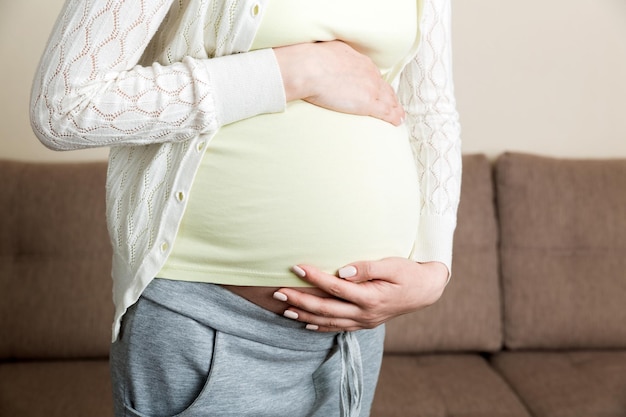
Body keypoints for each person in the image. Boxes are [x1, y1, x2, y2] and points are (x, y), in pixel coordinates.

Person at [30, 0, 461, 415]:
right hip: (204, 322)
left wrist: (435, 265)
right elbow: (64, 105)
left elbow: (430, 108)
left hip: (353, 335)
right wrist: (293, 72)